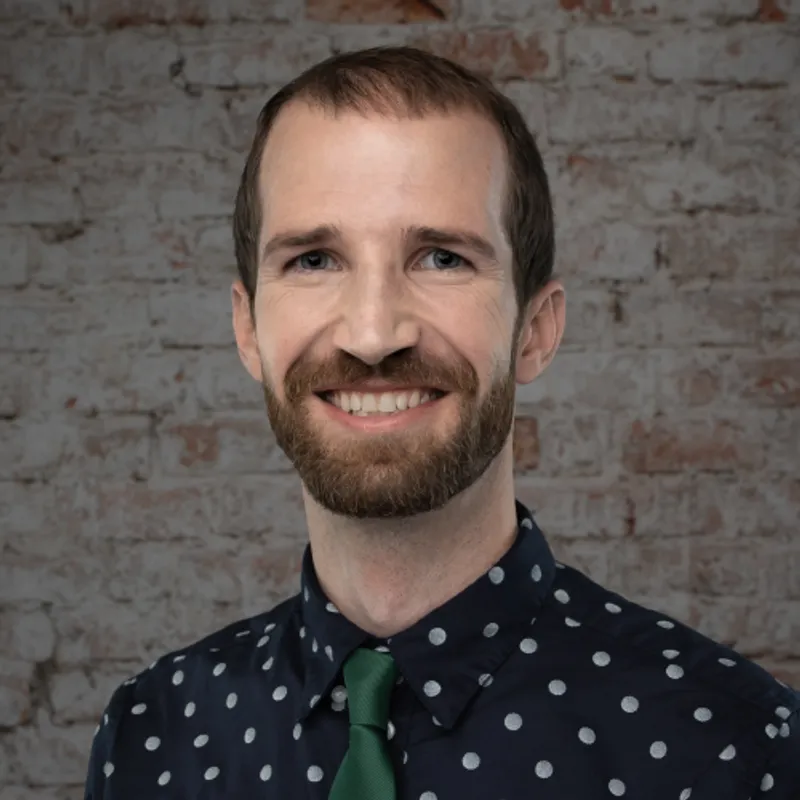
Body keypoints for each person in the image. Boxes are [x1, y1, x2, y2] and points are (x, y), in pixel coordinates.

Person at [83, 46, 799, 799]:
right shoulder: (153, 735)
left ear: (536, 330)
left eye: (442, 258)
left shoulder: (735, 747)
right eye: (315, 260)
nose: (372, 333)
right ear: (247, 330)